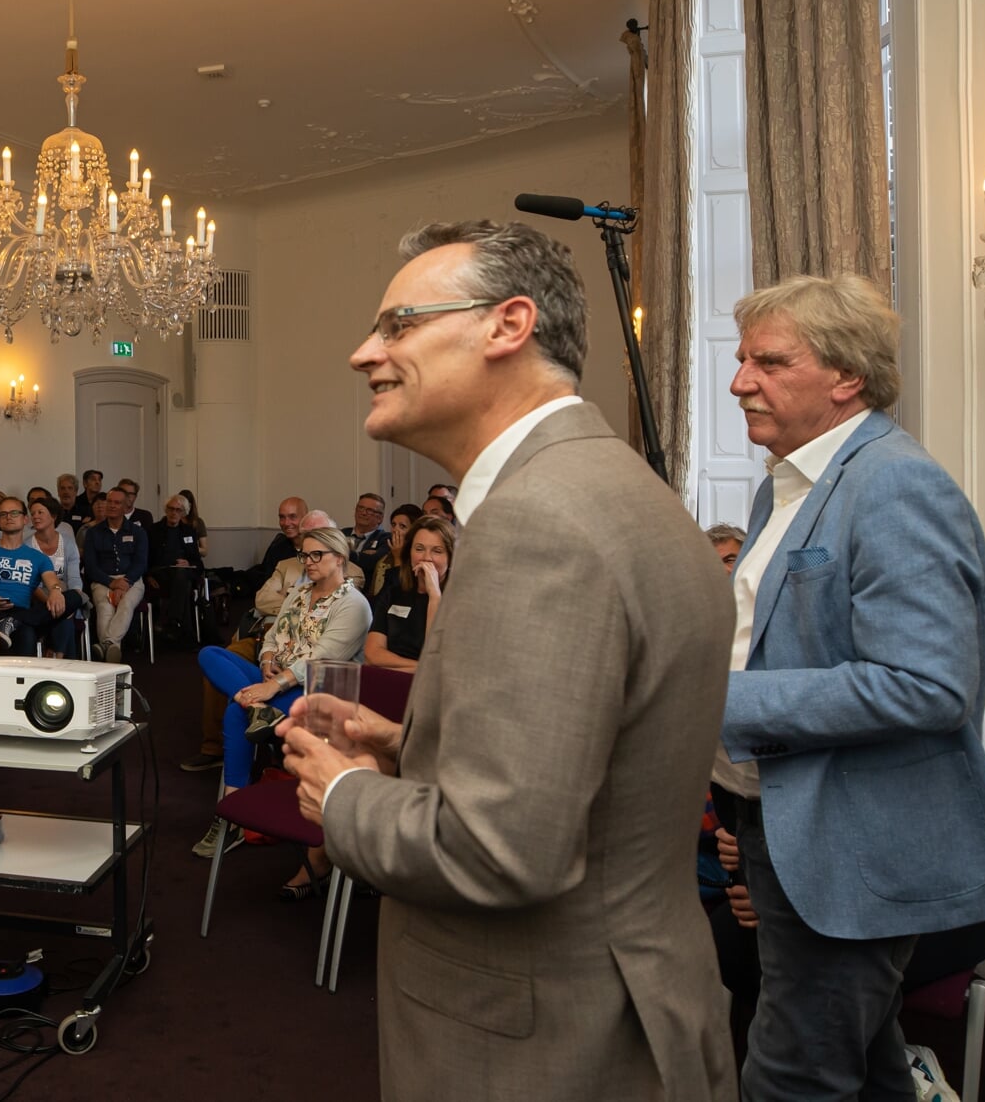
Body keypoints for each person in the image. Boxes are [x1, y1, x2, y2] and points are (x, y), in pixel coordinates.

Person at [276, 219, 736, 1099]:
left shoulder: (538, 522)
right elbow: (588, 777)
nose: (363, 353)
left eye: (399, 324)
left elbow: (500, 851)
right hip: (635, 992)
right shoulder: (615, 487)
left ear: (507, 325)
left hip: (545, 1037)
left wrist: (343, 792)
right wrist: (405, 745)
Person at [717, 272, 985, 1100]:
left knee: (795, 1074)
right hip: (780, 821)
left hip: (851, 843)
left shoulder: (894, 482)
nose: (739, 380)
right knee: (864, 1064)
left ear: (846, 376)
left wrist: (718, 703)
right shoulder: (781, 487)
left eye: (768, 361)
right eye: (741, 358)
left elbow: (927, 685)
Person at [192, 521, 369, 872]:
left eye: (317, 555)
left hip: (317, 688)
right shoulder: (300, 593)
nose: (308, 562)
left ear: (339, 558)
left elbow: (321, 657)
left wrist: (273, 685)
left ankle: (232, 811)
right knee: (210, 654)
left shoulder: (353, 605)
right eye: (304, 555)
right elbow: (273, 634)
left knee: (234, 709)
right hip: (275, 675)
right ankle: (259, 709)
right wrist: (267, 658)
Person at [0, 497, 70, 657]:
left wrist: (55, 591)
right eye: (3, 514)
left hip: (21, 613)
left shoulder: (38, 558)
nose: (8, 517)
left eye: (14, 513)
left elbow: (52, 581)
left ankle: (13, 620)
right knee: (28, 632)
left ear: (25, 519)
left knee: (74, 597)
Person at [362, 515, 453, 672]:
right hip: (391, 680)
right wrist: (420, 669)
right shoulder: (394, 593)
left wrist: (434, 596)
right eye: (419, 549)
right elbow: (372, 654)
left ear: (450, 558)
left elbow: (437, 657)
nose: (426, 558)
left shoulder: (458, 601)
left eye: (437, 551)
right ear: (409, 552)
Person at [82, 487, 147, 664]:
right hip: (103, 580)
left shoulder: (137, 532)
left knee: (126, 604)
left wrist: (125, 582)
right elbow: (91, 566)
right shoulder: (93, 533)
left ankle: (106, 645)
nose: (111, 505)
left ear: (126, 506)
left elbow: (141, 562)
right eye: (109, 502)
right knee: (104, 607)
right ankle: (113, 647)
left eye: (117, 502)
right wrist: (112, 583)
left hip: (131, 580)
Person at [23, 497, 85, 658]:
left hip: (64, 593)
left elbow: (74, 578)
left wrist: (67, 600)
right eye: (33, 513)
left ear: (53, 516)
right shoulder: (28, 545)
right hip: (38, 598)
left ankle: (53, 653)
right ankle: (60, 655)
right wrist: (51, 602)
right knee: (63, 614)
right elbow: (30, 584)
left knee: (69, 597)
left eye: (40, 512)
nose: (35, 516)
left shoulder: (68, 543)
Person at [145, 494, 202, 644]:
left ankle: (171, 621)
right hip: (160, 573)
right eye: (171, 509)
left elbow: (198, 561)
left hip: (182, 574)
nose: (174, 513)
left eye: (178, 510)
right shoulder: (154, 530)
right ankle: (184, 633)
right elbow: (146, 558)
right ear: (166, 510)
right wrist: (148, 575)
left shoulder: (189, 531)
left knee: (182, 576)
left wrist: (188, 561)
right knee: (185, 585)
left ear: (183, 513)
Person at [368, 503, 422, 596]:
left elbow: (400, 592)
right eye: (393, 525)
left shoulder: (417, 558)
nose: (395, 530)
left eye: (402, 526)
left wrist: (398, 557)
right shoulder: (387, 554)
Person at [343, 493, 391, 580]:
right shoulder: (341, 533)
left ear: (380, 518)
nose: (363, 513)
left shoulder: (385, 538)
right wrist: (361, 555)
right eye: (360, 508)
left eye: (370, 510)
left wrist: (341, 551)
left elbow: (371, 563)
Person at [178, 489, 210, 559]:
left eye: (184, 505)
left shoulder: (198, 522)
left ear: (190, 505)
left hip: (192, 560)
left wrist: (192, 547)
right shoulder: (174, 520)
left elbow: (205, 552)